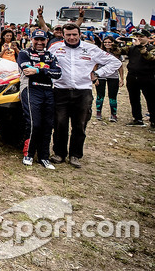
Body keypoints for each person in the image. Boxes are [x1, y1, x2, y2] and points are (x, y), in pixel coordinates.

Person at [48, 23, 121, 168]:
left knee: (80, 125)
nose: (71, 37)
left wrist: (98, 74)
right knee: (60, 124)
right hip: (61, 90)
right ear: (63, 35)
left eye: (74, 34)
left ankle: (75, 155)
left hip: (83, 92)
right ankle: (59, 153)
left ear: (79, 34)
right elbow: (46, 63)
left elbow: (115, 62)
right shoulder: (55, 48)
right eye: (68, 35)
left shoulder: (91, 49)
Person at [18, 29, 62, 169]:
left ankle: (44, 156)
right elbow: (26, 70)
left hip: (48, 90)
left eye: (42, 40)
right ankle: (28, 154)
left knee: (48, 125)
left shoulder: (51, 55)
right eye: (36, 39)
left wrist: (38, 70)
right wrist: (46, 71)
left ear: (46, 40)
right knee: (34, 123)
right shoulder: (25, 53)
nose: (39, 42)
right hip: (31, 88)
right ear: (31, 39)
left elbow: (58, 73)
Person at [116, 30, 155, 129]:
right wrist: (116, 43)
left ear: (147, 38)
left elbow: (150, 58)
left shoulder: (152, 48)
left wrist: (140, 47)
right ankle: (137, 119)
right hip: (133, 76)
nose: (138, 38)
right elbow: (118, 51)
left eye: (141, 36)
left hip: (147, 76)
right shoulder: (132, 48)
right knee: (134, 99)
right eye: (137, 36)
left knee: (151, 100)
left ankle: (153, 121)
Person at [95, 36, 124, 122]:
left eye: (109, 42)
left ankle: (113, 114)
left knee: (112, 96)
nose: (107, 44)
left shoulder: (117, 53)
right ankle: (98, 112)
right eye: (105, 42)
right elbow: (95, 65)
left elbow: (120, 66)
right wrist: (95, 76)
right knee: (100, 95)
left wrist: (122, 78)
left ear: (113, 43)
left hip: (113, 76)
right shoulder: (99, 52)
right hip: (101, 76)